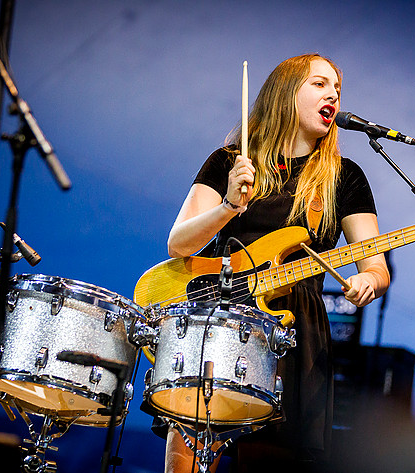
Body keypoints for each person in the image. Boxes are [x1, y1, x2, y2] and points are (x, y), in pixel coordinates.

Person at [162, 53, 390, 472]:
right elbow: (179, 245)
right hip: (218, 317)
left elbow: (374, 264)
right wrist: (229, 205)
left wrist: (368, 283)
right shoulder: (230, 161)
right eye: (320, 84)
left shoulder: (345, 178)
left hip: (295, 328)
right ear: (286, 93)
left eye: (337, 89)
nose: (333, 95)